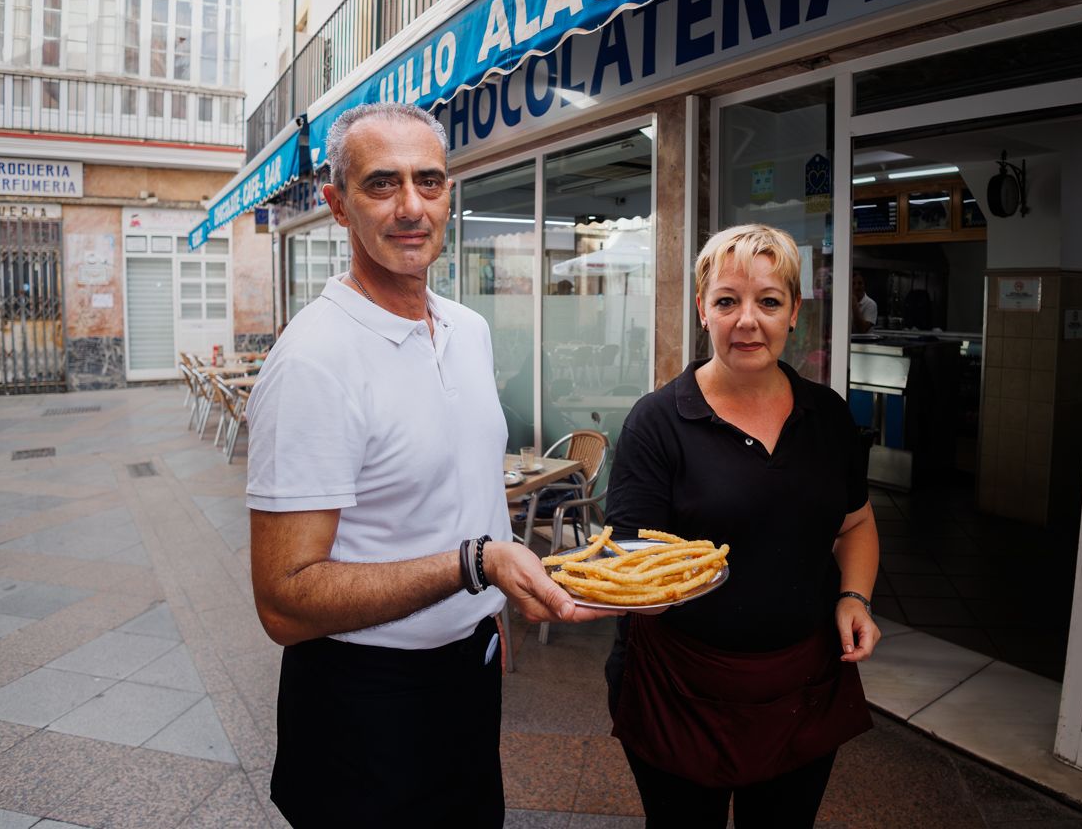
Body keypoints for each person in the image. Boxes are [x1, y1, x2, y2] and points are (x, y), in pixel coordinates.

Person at [244, 102, 612, 829]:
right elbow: (285, 602)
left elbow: (463, 493)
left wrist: (487, 616)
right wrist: (476, 566)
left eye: (429, 181)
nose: (411, 206)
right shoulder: (314, 360)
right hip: (362, 701)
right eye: (382, 184)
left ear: (450, 194)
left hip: (468, 677)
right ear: (337, 206)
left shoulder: (468, 331)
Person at [603, 223, 881, 828]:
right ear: (703, 309)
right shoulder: (659, 422)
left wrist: (854, 597)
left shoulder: (828, 416)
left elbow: (856, 522)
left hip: (801, 684)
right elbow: (627, 556)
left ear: (793, 312)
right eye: (727, 300)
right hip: (680, 685)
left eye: (768, 301)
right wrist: (634, 594)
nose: (747, 320)